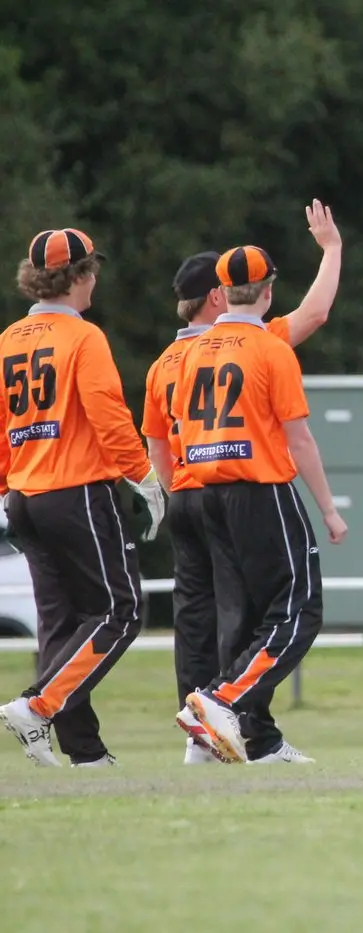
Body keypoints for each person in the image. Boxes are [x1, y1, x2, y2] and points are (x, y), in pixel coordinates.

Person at [143, 200, 342, 765]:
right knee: (292, 608)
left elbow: (155, 438)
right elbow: (299, 436)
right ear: (266, 291)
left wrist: (175, 488)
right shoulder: (268, 346)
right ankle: (222, 704)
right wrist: (328, 508)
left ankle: (218, 735)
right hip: (253, 488)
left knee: (204, 619)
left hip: (191, 487)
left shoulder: (173, 358)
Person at [0, 228, 165, 767]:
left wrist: (5, 486)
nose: (95, 280)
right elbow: (107, 411)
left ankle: (85, 751)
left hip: (25, 494)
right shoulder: (83, 338)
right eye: (91, 270)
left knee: (62, 622)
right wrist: (142, 475)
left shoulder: (9, 340)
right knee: (121, 611)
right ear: (77, 277)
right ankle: (39, 704)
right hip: (74, 492)